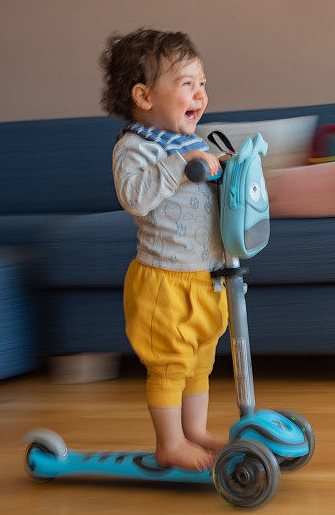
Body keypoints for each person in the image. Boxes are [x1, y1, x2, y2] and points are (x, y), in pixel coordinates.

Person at [101, 28, 228, 470]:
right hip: (163, 282)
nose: (200, 94)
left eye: (203, 84)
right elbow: (134, 196)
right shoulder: (135, 148)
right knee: (170, 365)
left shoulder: (195, 142)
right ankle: (169, 443)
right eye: (187, 84)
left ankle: (193, 431)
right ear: (144, 96)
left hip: (205, 276)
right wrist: (178, 166)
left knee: (200, 361)